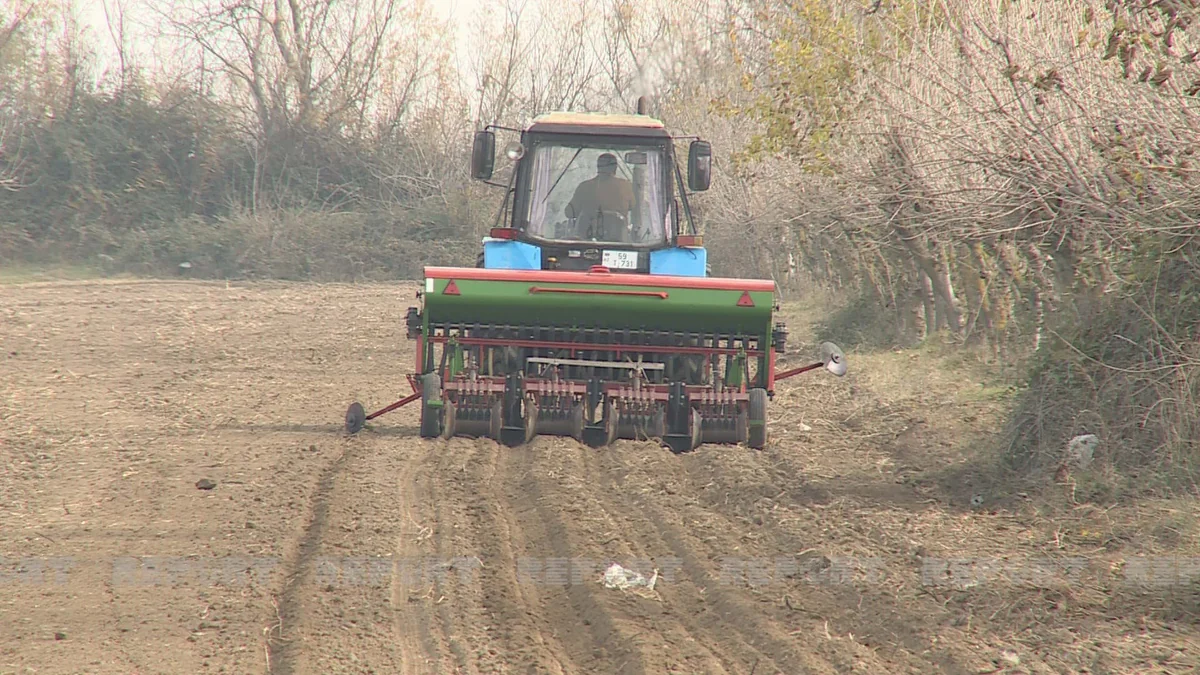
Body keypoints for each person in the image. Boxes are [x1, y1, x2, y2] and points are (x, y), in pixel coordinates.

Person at [564, 153, 634, 241]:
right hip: (619, 240)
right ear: (615, 168)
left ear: (598, 167)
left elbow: (569, 212)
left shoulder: (585, 187)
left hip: (586, 240)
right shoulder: (626, 186)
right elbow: (633, 206)